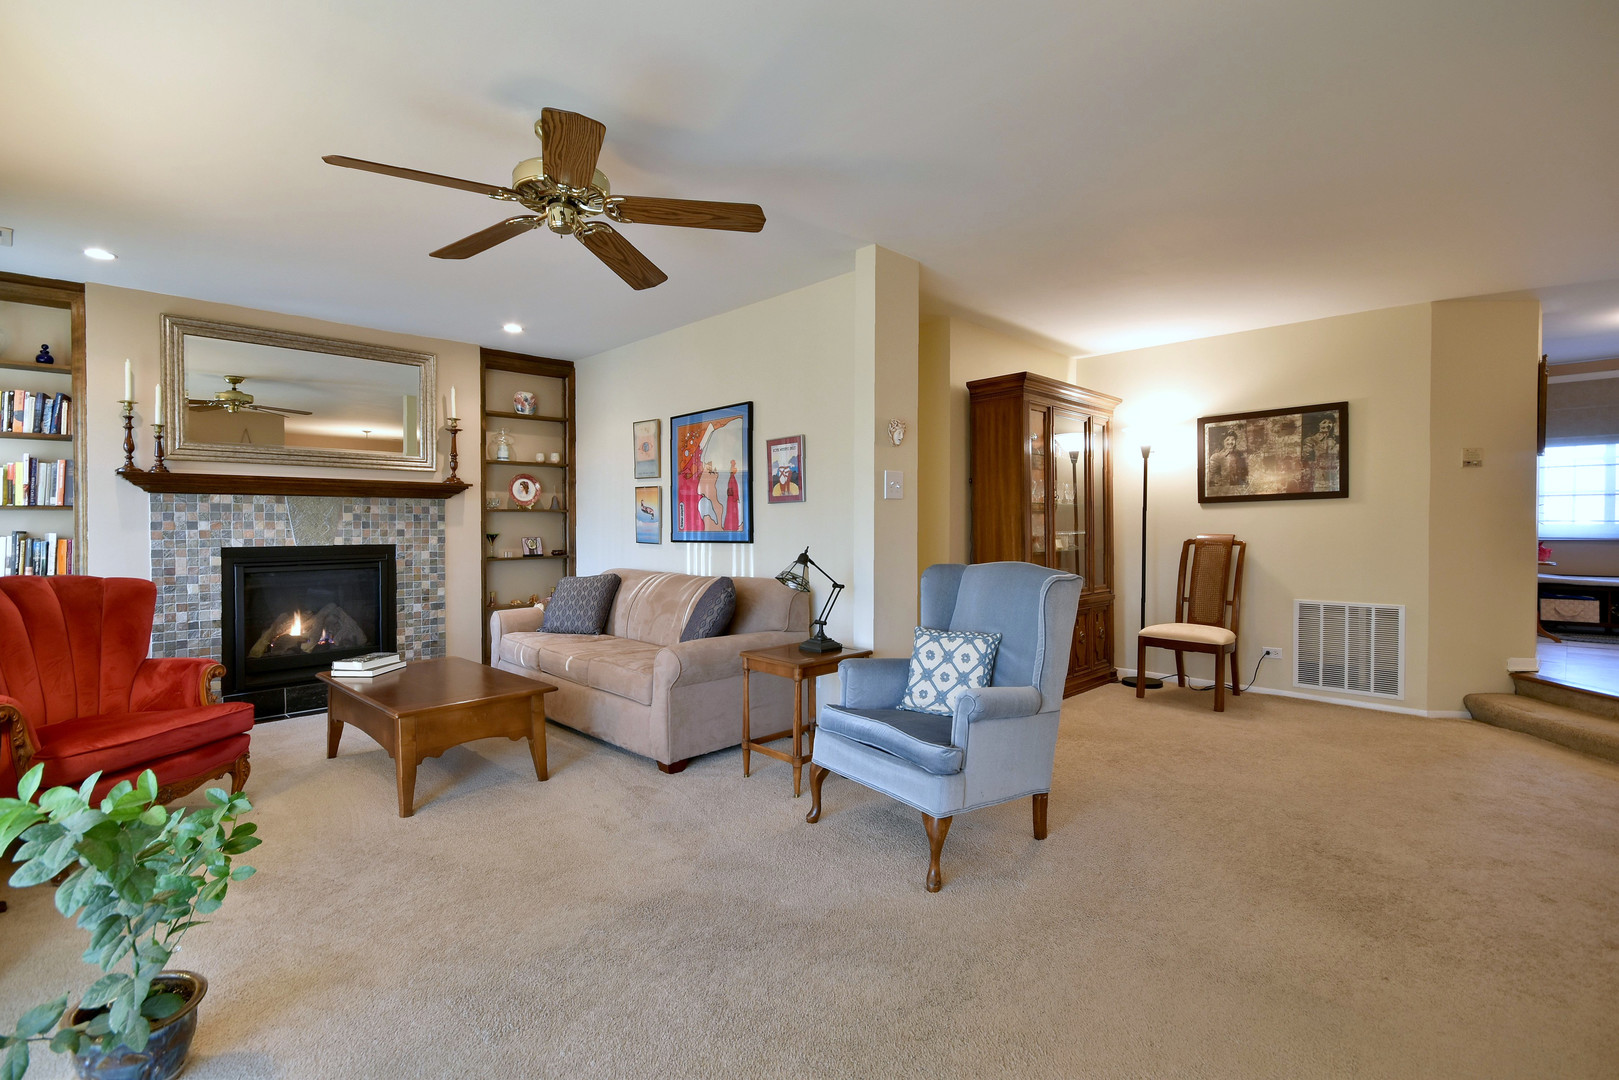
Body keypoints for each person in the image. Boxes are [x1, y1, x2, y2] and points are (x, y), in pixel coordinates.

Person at [1303, 417, 1339, 491]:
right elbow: (1306, 456)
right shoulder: (1310, 440)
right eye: (1324, 422)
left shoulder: (1333, 442)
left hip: (1331, 475)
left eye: (1330, 422)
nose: (1327, 425)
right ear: (1318, 424)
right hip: (1318, 474)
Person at [723, 459, 742, 531]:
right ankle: (731, 527)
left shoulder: (732, 478)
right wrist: (736, 497)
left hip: (731, 499)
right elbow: (734, 489)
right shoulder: (732, 478)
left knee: (731, 512)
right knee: (731, 513)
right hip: (732, 499)